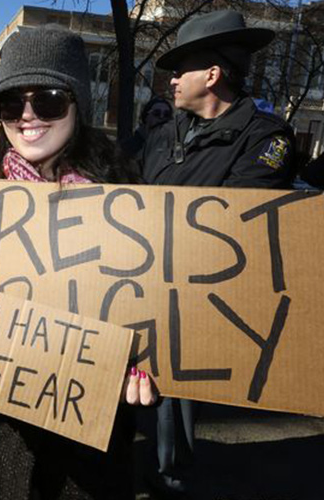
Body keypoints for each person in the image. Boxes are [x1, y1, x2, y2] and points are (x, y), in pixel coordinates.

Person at [0, 25, 157, 500]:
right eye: (11, 103)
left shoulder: (131, 197)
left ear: (78, 104)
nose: (28, 116)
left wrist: (149, 370)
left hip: (88, 465)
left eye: (47, 100)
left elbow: (158, 315)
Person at [140, 10, 296, 499]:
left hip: (201, 310)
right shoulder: (162, 135)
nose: (170, 80)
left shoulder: (266, 139)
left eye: (180, 69)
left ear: (211, 75)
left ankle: (172, 483)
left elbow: (235, 224)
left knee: (173, 418)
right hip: (139, 289)